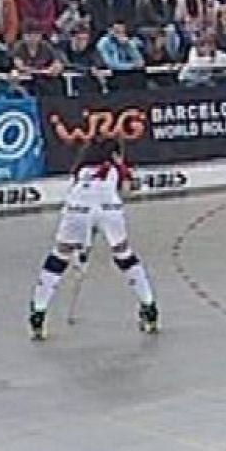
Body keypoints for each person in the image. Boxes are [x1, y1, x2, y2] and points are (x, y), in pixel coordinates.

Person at [27, 139, 159, 339]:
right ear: (114, 153)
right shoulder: (117, 167)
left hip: (77, 208)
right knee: (124, 255)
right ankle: (149, 306)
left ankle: (38, 311)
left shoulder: (82, 169)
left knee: (59, 256)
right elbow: (127, 190)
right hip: (109, 208)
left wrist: (83, 245)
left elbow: (77, 192)